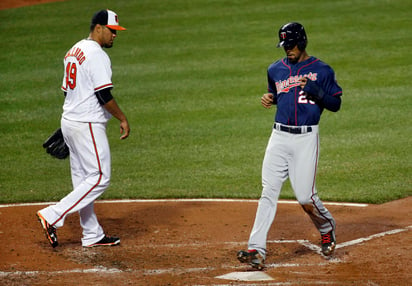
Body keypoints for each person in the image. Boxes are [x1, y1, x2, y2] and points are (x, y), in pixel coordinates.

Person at [237, 22, 342, 270]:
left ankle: (326, 227)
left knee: (306, 197)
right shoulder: (275, 69)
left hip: (306, 139)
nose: (288, 50)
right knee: (268, 192)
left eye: (292, 45)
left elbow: (336, 104)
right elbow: (279, 95)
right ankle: (256, 249)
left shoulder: (322, 70)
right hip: (279, 138)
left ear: (303, 42)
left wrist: (316, 90)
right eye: (285, 46)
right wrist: (270, 98)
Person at [36, 9, 130, 248]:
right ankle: (52, 215)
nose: (114, 36)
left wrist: (69, 125)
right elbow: (103, 94)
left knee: (83, 181)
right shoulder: (96, 54)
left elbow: (68, 91)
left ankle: (92, 234)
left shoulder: (74, 50)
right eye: (112, 31)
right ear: (98, 27)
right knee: (99, 177)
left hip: (71, 120)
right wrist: (122, 118)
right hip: (87, 123)